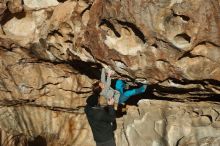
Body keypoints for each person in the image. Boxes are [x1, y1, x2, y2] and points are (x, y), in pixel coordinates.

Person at [85, 82, 117, 146]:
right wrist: (110, 106)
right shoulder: (100, 113)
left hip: (97, 138)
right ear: (96, 104)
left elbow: (94, 102)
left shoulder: (87, 109)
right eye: (98, 100)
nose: (99, 100)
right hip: (107, 139)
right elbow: (112, 118)